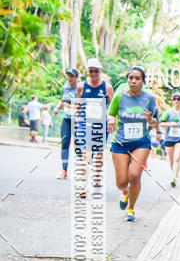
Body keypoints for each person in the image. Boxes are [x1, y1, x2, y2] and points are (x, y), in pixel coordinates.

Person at [108, 66, 158, 221]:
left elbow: (156, 123)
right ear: (127, 80)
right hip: (120, 143)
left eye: (137, 78)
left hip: (140, 143)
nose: (133, 81)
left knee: (135, 175)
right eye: (131, 78)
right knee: (121, 182)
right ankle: (125, 192)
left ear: (143, 81)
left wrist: (150, 120)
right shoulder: (119, 97)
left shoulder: (149, 98)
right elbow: (111, 113)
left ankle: (130, 209)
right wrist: (110, 120)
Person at [74, 57, 114, 197]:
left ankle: (97, 176)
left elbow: (113, 106)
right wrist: (78, 119)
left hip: (101, 126)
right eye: (91, 71)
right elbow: (79, 104)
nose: (93, 74)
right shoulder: (81, 86)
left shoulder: (107, 87)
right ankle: (83, 186)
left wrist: (110, 118)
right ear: (88, 72)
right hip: (85, 125)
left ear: (100, 71)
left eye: (96, 71)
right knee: (86, 154)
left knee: (98, 156)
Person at [53, 69, 79, 178]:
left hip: (78, 121)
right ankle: (64, 170)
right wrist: (57, 108)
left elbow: (83, 104)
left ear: (77, 77)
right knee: (64, 144)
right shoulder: (66, 86)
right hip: (67, 119)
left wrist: (70, 106)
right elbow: (62, 100)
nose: (70, 78)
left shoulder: (80, 88)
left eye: (72, 76)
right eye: (68, 75)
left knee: (80, 146)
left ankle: (83, 172)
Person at [160, 93, 180, 187]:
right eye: (174, 99)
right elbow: (160, 124)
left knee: (177, 158)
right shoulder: (168, 112)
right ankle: (175, 174)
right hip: (169, 137)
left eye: (178, 99)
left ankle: (173, 178)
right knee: (171, 159)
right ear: (172, 101)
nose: (176, 101)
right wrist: (170, 124)